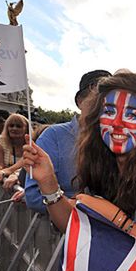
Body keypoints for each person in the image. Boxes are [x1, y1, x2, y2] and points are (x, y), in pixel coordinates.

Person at [22, 71, 136, 255]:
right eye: (110, 112)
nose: (118, 123)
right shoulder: (102, 165)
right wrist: (48, 182)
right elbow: (70, 225)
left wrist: (114, 217)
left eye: (131, 114)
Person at [24, 69, 112, 214]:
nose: (104, 108)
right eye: (97, 100)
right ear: (80, 102)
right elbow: (34, 196)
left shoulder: (117, 139)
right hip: (64, 233)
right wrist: (83, 208)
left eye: (111, 104)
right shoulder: (54, 136)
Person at [0, 113, 29, 191]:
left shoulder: (32, 143)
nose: (14, 128)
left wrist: (8, 173)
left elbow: (26, 165)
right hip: (5, 187)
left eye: (19, 126)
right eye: (11, 126)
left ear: (26, 129)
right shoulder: (0, 141)